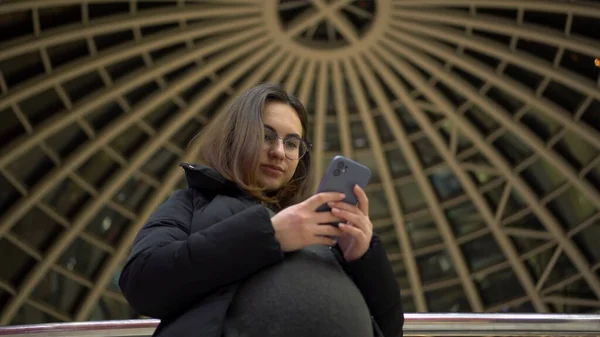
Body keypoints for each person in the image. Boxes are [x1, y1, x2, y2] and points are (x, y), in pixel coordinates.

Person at [119, 83, 404, 337]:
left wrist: (364, 258)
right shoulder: (191, 202)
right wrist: (269, 235)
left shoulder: (319, 232)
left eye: (292, 143)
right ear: (235, 138)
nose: (279, 151)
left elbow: (391, 329)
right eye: (266, 136)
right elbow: (142, 283)